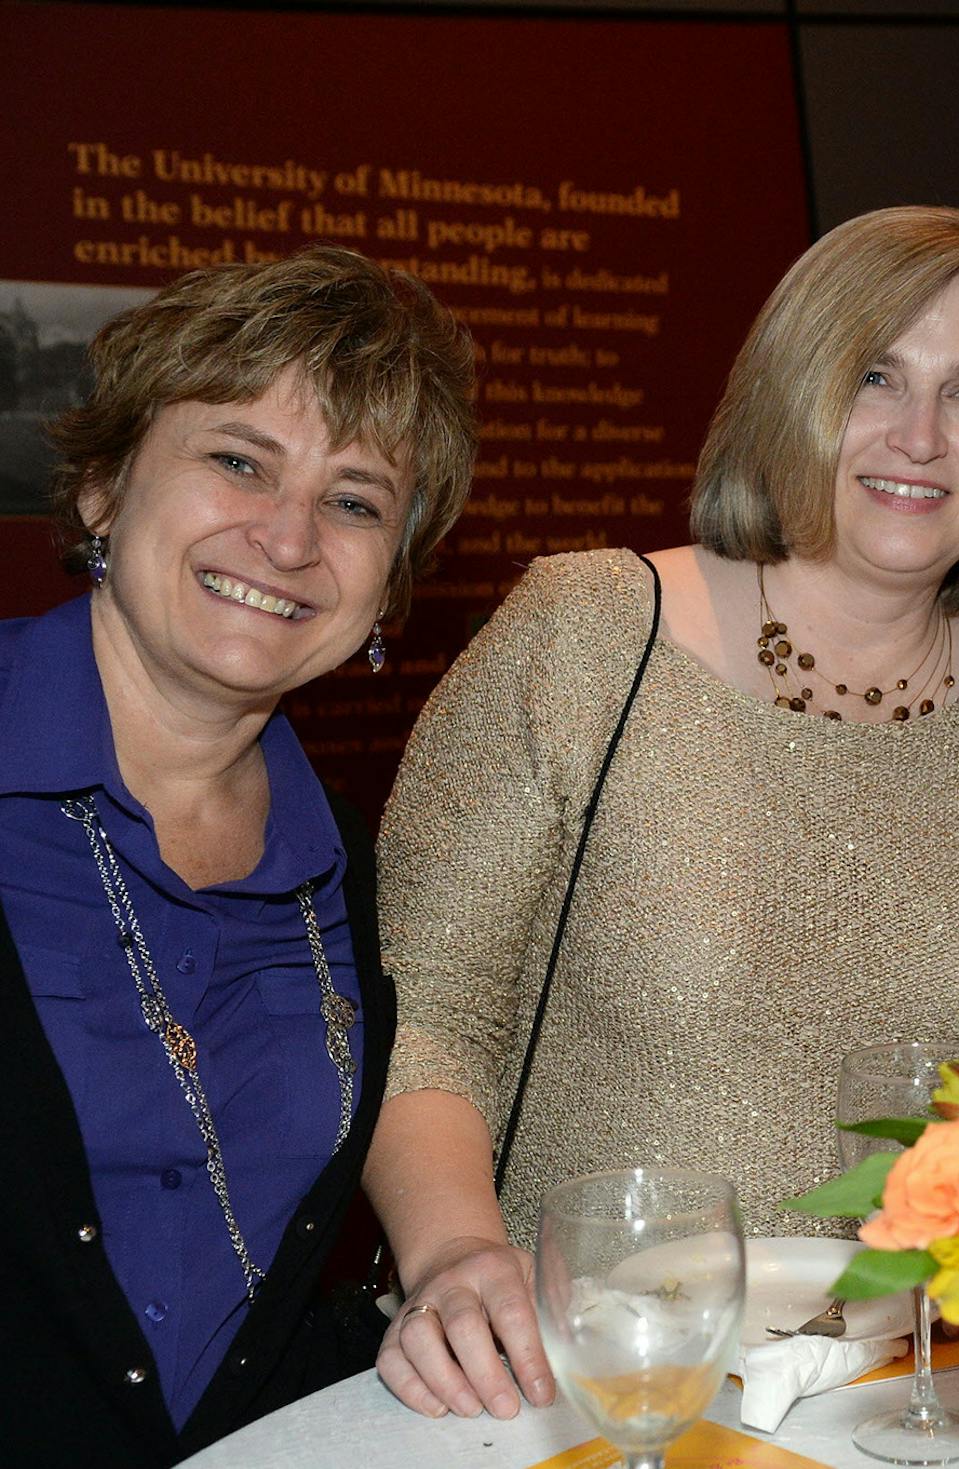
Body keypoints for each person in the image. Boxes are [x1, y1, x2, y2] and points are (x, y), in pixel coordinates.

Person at [365, 206, 959, 1422]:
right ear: (791, 388)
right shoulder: (587, 633)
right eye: (874, 374)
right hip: (593, 1380)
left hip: (913, 1396)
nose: (920, 435)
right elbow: (426, 1016)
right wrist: (456, 1256)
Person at [0, 245, 476, 1466]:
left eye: (356, 501)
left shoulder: (345, 873)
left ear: (389, 585)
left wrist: (449, 1288)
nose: (288, 536)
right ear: (104, 487)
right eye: (238, 461)